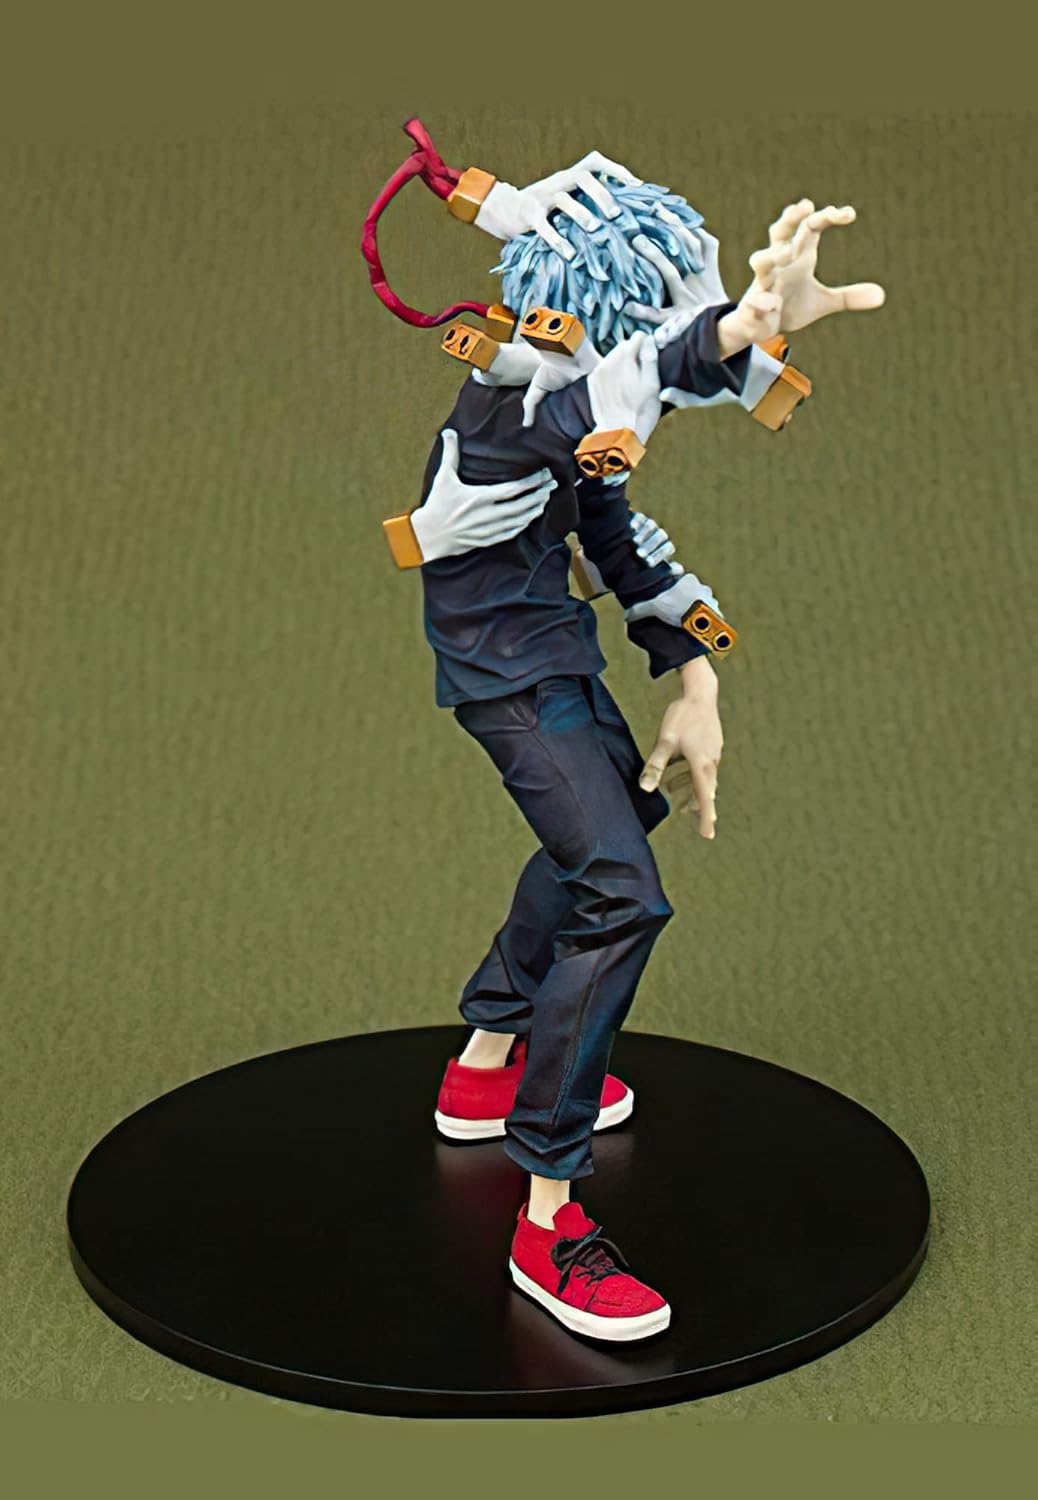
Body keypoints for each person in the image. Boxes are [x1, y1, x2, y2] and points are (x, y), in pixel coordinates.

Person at [383, 151, 885, 1343]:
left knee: (610, 820)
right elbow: (624, 386)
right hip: (502, 661)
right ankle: (548, 1221)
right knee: (622, 892)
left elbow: (612, 525)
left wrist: (694, 672)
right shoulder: (519, 397)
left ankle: (485, 1063)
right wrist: (737, 328)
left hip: (545, 636)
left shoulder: (575, 401)